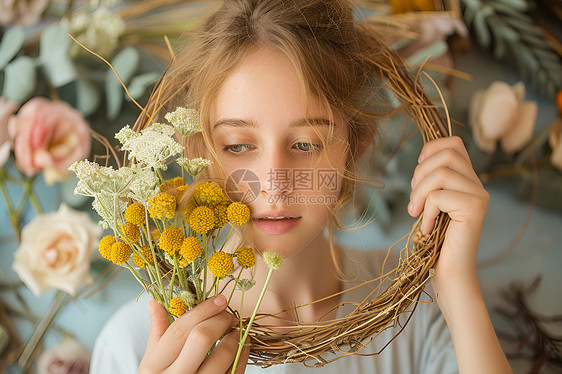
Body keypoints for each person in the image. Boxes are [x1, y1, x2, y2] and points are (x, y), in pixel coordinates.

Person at [91, 0, 513, 373]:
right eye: (238, 145)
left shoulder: (418, 312)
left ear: (356, 144)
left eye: (306, 144)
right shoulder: (138, 348)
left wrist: (457, 288)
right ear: (198, 151)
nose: (275, 186)